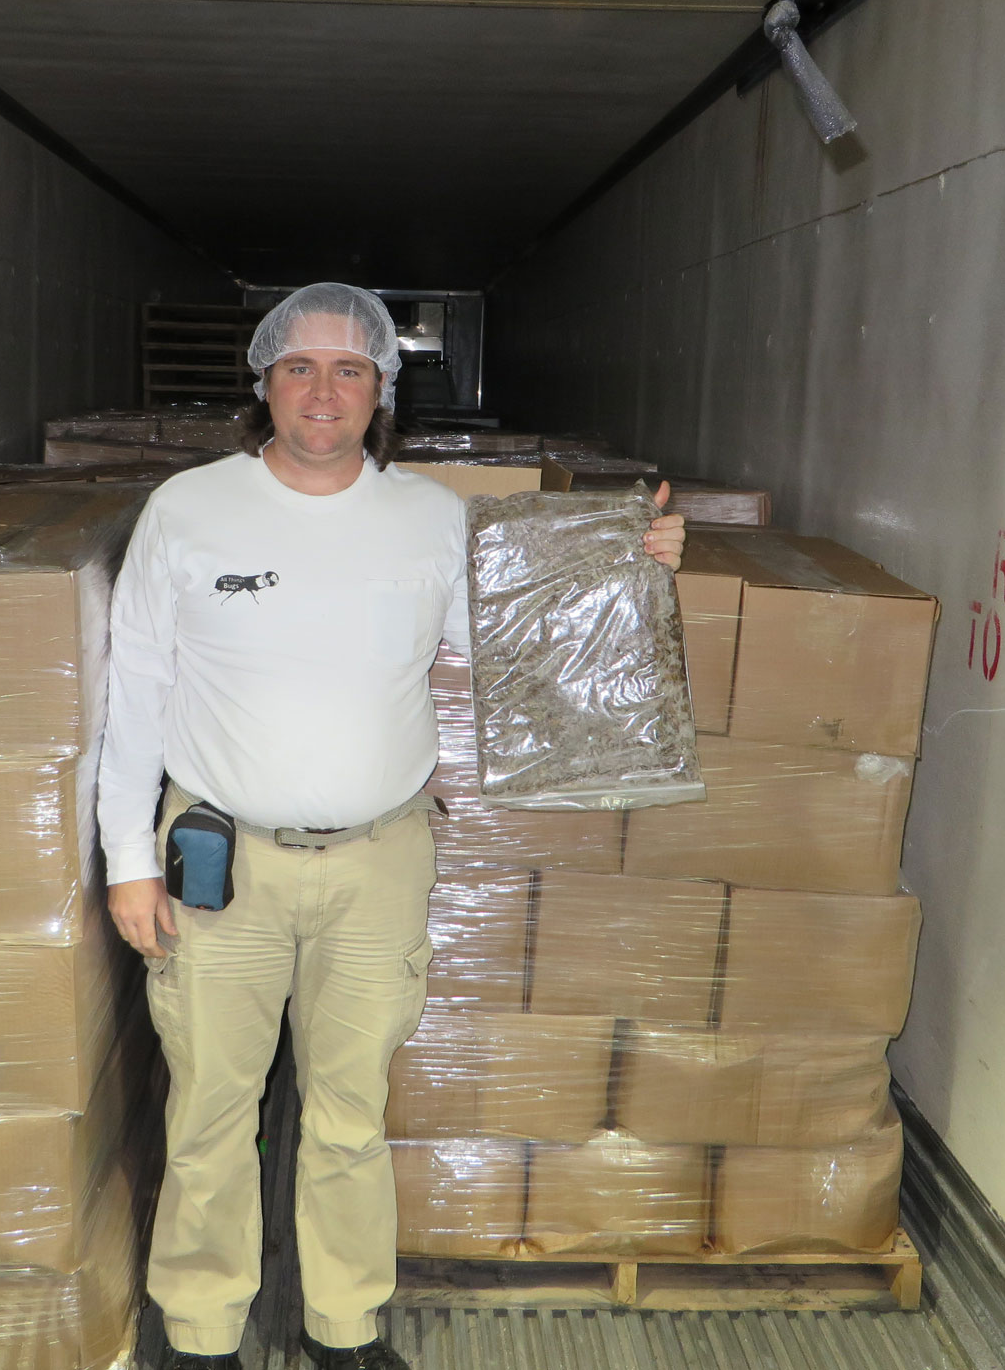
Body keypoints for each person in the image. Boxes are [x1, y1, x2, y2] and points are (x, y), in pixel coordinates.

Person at [98, 283, 687, 1370]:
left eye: (349, 370)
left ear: (381, 392)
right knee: (212, 1108)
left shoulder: (428, 519)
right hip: (218, 864)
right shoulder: (187, 511)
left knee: (347, 1110)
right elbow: (132, 691)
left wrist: (626, 572)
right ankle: (197, 1329)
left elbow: (519, 645)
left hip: (376, 861)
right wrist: (128, 863)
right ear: (262, 384)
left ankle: (344, 1326)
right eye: (298, 369)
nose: (322, 392)